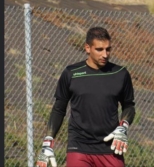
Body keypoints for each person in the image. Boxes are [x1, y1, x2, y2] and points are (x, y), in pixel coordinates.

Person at [35, 27, 136, 167]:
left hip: (110, 147)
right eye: (99, 49)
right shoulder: (71, 73)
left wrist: (123, 126)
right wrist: (48, 142)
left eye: (108, 49)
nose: (105, 54)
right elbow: (59, 109)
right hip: (79, 147)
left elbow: (129, 106)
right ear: (87, 48)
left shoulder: (120, 73)